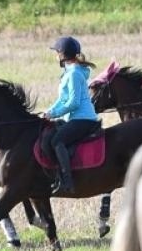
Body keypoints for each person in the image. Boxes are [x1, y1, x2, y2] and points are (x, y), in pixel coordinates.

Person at [40, 35, 101, 195]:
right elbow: (62, 100)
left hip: (83, 120)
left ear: (62, 55)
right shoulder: (70, 72)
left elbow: (73, 103)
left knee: (57, 141)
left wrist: (53, 113)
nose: (55, 55)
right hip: (74, 119)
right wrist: (48, 112)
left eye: (57, 52)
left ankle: (67, 181)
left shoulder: (73, 74)